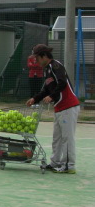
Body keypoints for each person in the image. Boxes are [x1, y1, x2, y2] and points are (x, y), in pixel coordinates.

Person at [26, 44, 80, 174]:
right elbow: (45, 90)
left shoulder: (55, 66)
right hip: (60, 108)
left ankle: (69, 166)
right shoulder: (47, 70)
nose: (36, 61)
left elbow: (62, 82)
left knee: (67, 138)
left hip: (68, 107)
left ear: (44, 56)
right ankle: (55, 162)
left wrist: (52, 96)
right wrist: (34, 99)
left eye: (37, 58)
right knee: (57, 138)